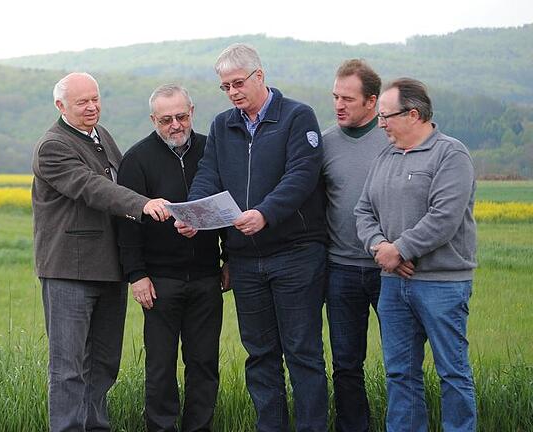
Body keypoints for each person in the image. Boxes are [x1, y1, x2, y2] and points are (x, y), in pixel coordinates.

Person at [176, 43, 328, 432]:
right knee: (260, 355)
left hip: (295, 253)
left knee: (303, 353)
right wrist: (194, 213)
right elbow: (208, 174)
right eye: (225, 86)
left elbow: (302, 175)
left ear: (259, 76)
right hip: (244, 260)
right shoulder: (222, 124)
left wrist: (266, 213)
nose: (232, 92)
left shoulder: (297, 116)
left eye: (238, 83)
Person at [31, 72, 169, 432]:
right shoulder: (53, 146)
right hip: (69, 272)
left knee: (104, 363)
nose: (92, 107)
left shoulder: (101, 136)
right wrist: (143, 204)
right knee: (68, 367)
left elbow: (121, 179)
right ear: (61, 106)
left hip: (109, 269)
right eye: (82, 102)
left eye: (95, 99)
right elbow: (93, 188)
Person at [355, 78, 477, 432]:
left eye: (386, 116)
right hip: (394, 284)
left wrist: (401, 249)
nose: (380, 124)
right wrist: (381, 248)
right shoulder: (386, 155)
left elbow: (444, 217)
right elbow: (363, 211)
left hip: (442, 284)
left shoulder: (451, 154)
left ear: (413, 114)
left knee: (452, 372)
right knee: (400, 373)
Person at [117, 84, 228, 432]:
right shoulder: (137, 159)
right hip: (160, 281)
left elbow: (229, 206)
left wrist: (233, 260)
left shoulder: (214, 150)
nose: (175, 125)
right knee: (161, 367)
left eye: (181, 116)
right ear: (154, 120)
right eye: (166, 120)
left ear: (192, 111)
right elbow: (127, 225)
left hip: (208, 277)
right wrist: (136, 275)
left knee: (204, 364)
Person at [321, 59, 388, 432]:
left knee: (401, 360)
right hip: (341, 269)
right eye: (335, 97)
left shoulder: (392, 139)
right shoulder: (326, 142)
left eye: (348, 98)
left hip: (390, 270)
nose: (339, 105)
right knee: (346, 363)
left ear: (372, 101)